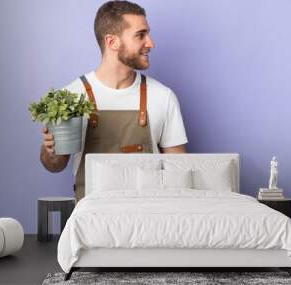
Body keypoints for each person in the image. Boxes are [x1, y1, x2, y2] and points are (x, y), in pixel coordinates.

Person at [40, 1, 188, 202]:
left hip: (150, 218)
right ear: (112, 42)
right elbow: (54, 166)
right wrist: (50, 151)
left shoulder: (163, 96)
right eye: (140, 35)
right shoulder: (71, 96)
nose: (151, 43)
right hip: (91, 221)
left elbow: (178, 172)